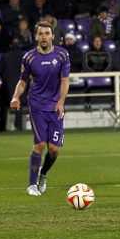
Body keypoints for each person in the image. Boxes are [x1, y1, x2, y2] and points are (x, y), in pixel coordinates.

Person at [10, 21, 70, 196]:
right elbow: (22, 81)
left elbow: (65, 80)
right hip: (36, 105)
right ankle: (31, 184)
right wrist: (15, 96)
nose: (44, 36)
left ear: (52, 36)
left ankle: (43, 174)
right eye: (41, 33)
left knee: (54, 149)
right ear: (36, 36)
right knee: (40, 144)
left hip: (55, 107)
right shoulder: (29, 57)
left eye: (47, 33)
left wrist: (60, 102)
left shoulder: (62, 55)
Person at [0, 38, 25, 131]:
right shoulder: (24, 56)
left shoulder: (5, 56)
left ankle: (2, 126)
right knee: (18, 106)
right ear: (20, 45)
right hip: (21, 84)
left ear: (11, 46)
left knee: (4, 106)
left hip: (7, 84)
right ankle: (19, 126)